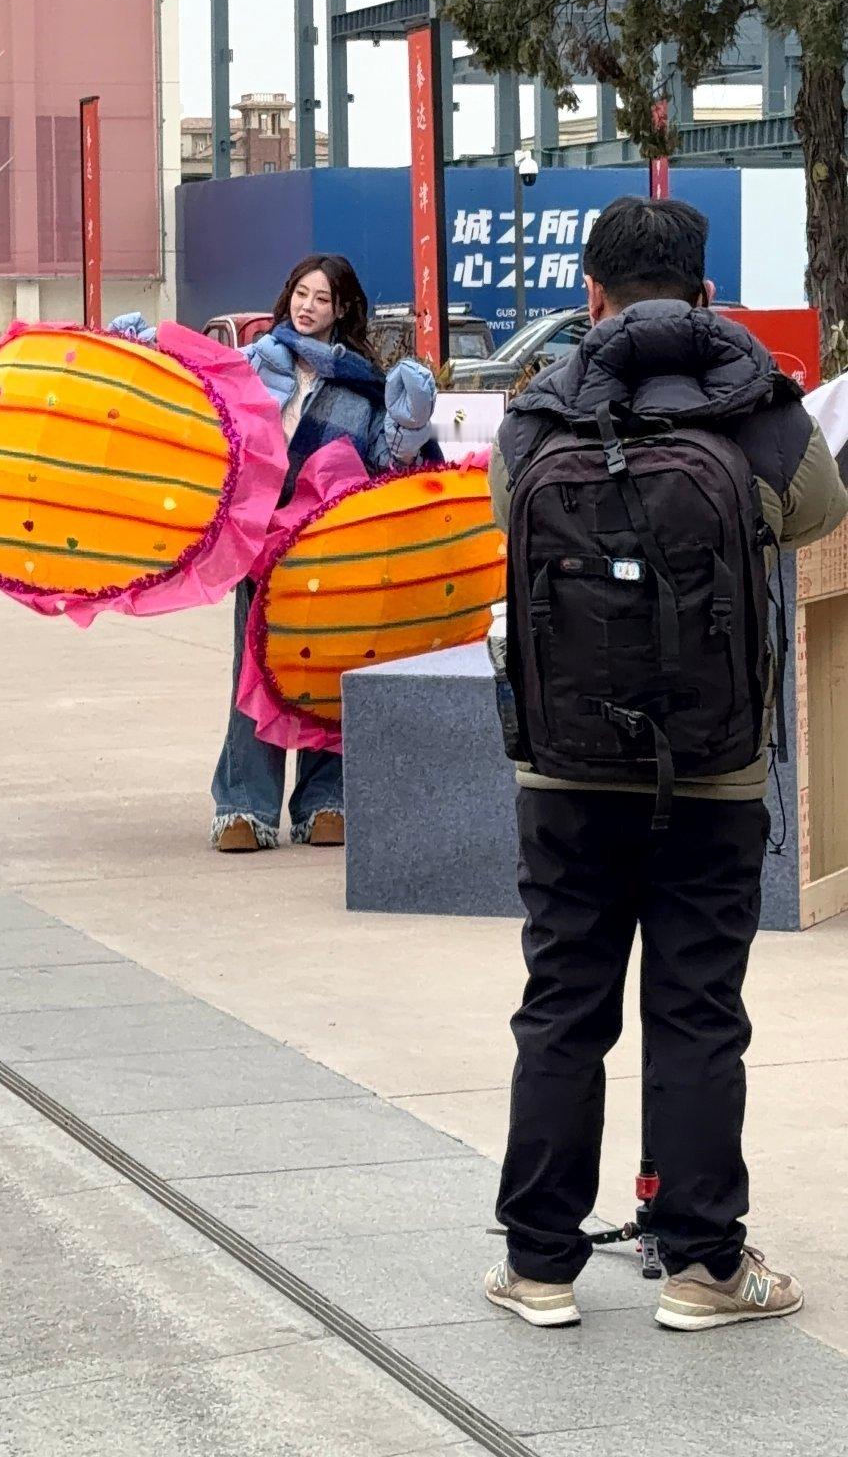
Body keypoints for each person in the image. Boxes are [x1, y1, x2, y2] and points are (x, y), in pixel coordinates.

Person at [484, 196, 846, 1332]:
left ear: (591, 295)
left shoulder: (539, 411)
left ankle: (540, 1264)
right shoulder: (757, 410)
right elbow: (819, 514)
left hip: (563, 768)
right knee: (696, 1009)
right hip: (714, 770)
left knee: (562, 1006)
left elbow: (508, 514)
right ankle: (702, 1265)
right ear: (704, 292)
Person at [210, 253, 438, 854]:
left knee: (325, 672)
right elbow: (210, 435)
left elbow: (387, 469)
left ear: (342, 309)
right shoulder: (251, 367)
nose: (307, 307)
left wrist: (410, 433)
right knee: (254, 670)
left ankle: (324, 799)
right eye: (301, 294)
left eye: (322, 298)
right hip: (260, 550)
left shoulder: (362, 387)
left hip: (329, 553)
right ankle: (243, 805)